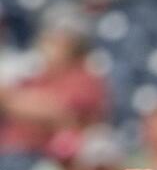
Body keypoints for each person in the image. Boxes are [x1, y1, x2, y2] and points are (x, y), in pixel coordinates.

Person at [0, 11, 108, 155]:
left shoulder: (84, 78)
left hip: (51, 158)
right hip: (12, 152)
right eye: (48, 39)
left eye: (57, 41)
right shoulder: (38, 76)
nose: (48, 47)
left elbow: (57, 111)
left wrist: (10, 99)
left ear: (74, 46)